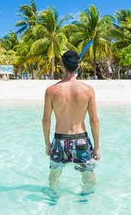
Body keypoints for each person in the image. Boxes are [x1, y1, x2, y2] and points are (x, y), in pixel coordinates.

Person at [42, 50, 100, 192]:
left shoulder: (51, 91)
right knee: (88, 177)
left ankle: (53, 201)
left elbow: (46, 120)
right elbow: (94, 121)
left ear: (62, 66)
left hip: (59, 140)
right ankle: (85, 202)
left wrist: (47, 144)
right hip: (81, 140)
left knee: (54, 176)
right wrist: (97, 147)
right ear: (78, 67)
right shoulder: (88, 90)